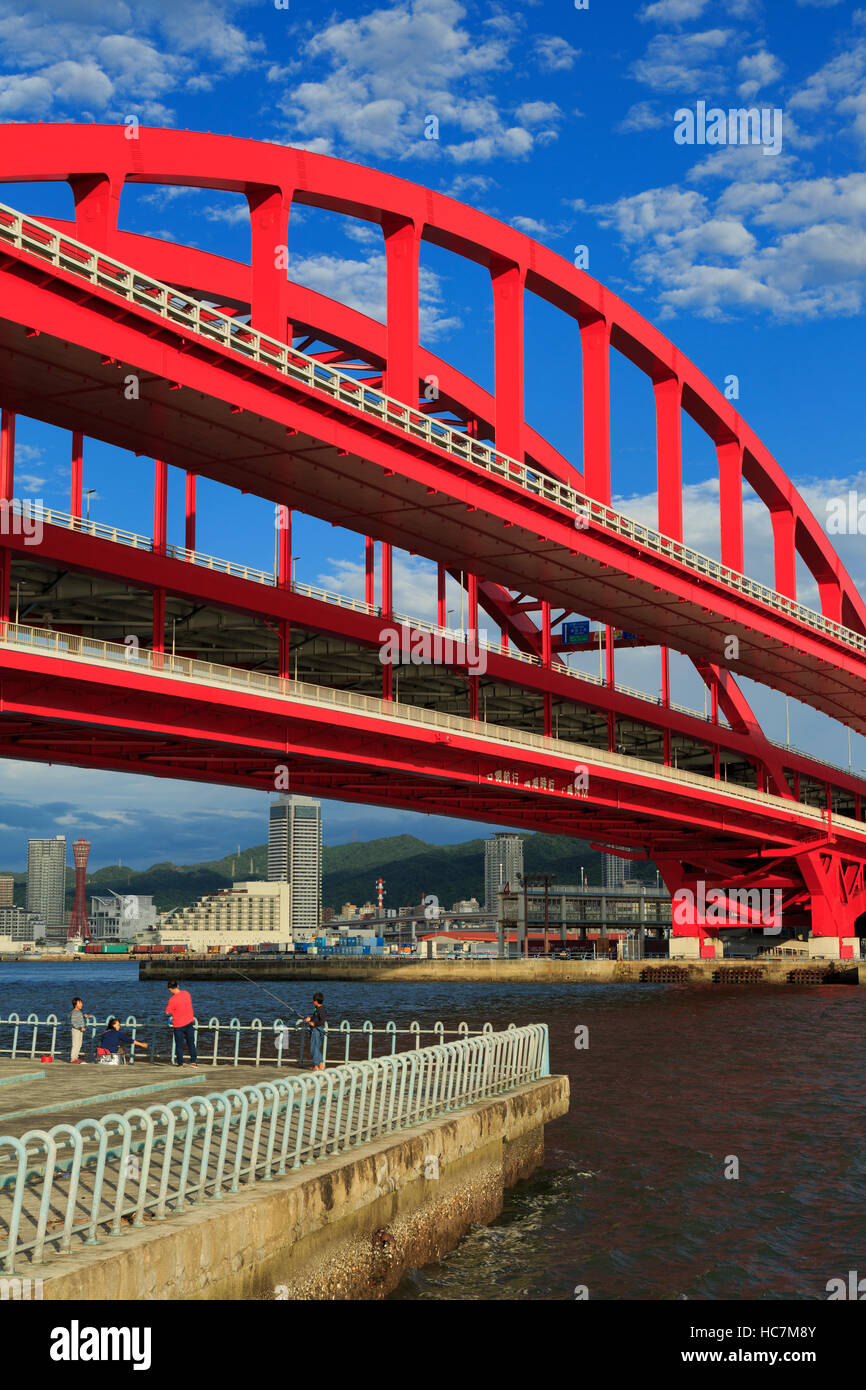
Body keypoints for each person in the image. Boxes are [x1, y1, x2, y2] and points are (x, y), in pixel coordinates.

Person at [165, 980, 198, 1068]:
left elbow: (167, 1011)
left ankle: (180, 1064)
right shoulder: (187, 994)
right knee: (191, 1043)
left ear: (170, 989)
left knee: (179, 1045)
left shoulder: (172, 999)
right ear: (178, 986)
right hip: (189, 1022)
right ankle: (193, 1061)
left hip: (178, 1025)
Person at [304, 992, 326, 1071]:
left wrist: (314, 1024)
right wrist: (310, 1019)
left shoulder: (321, 1009)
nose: (312, 1002)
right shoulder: (317, 1008)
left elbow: (322, 1020)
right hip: (315, 1029)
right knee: (317, 1048)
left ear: (316, 1001)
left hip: (317, 1030)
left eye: (313, 1000)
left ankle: (315, 1066)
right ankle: (321, 1065)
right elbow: (315, 1017)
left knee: (313, 1048)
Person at [69, 996, 92, 1064]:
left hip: (80, 1030)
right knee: (75, 1044)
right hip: (76, 1030)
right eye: (79, 1003)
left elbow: (78, 1019)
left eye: (81, 1003)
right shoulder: (74, 1012)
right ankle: (73, 1058)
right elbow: (73, 1022)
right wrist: (80, 1028)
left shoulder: (79, 1012)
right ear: (75, 1004)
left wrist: (84, 1016)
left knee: (79, 1044)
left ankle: (76, 1057)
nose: (81, 1004)